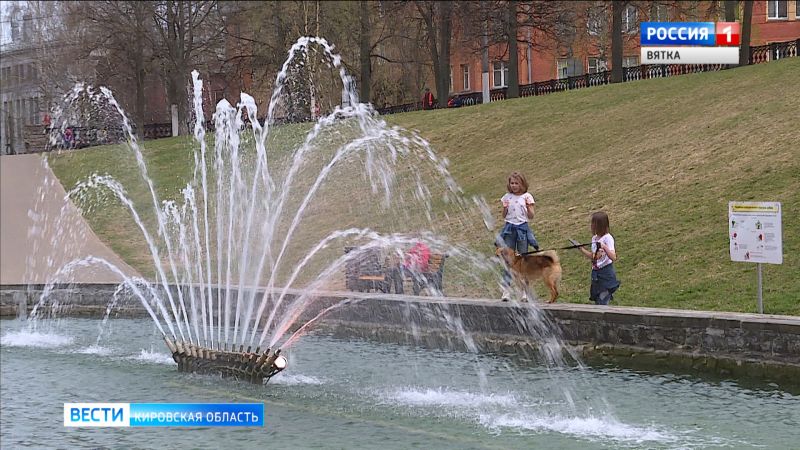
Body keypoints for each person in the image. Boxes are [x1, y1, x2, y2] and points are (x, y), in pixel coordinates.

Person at [497, 171, 539, 301]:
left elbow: (531, 216)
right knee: (508, 260)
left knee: (522, 259)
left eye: (516, 183)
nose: (514, 185)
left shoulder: (527, 196)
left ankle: (525, 292)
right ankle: (506, 290)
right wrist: (505, 208)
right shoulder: (507, 197)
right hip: (509, 228)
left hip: (522, 228)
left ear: (522, 184)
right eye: (512, 183)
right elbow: (504, 215)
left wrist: (527, 207)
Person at [576, 211, 620, 305]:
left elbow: (613, 257)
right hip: (596, 274)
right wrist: (581, 248)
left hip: (606, 273)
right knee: (597, 300)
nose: (591, 226)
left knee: (602, 301)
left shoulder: (608, 238)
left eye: (594, 223)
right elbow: (594, 257)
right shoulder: (594, 238)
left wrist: (604, 247)